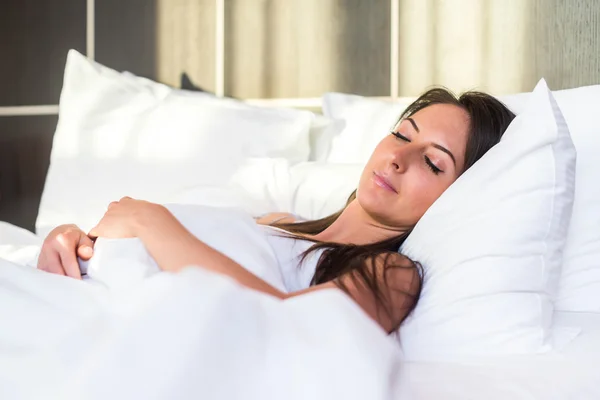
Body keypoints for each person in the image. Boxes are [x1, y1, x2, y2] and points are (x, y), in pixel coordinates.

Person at [37, 88, 516, 334]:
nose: (398, 157)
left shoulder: (392, 273)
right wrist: (70, 239)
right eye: (402, 134)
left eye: (432, 163)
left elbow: (292, 327)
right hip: (68, 301)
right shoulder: (276, 224)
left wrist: (148, 220)